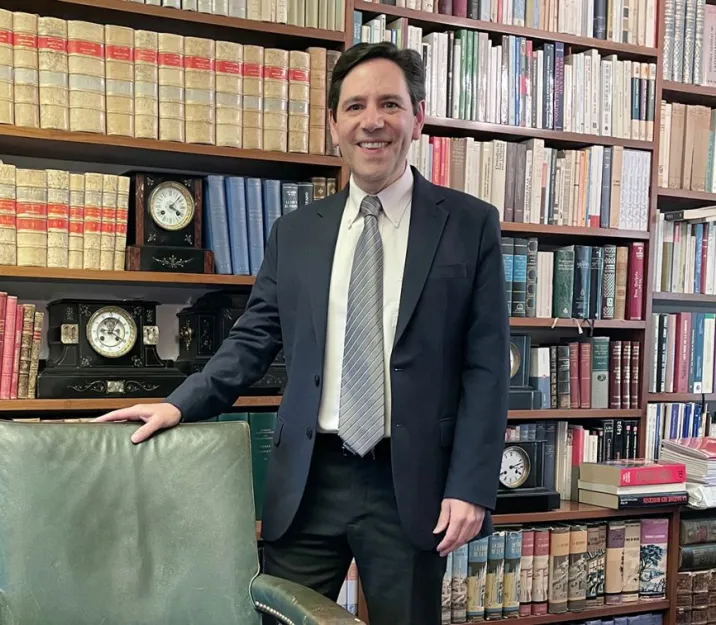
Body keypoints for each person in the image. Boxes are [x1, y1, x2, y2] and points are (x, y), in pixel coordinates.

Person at [95, 41, 509, 625]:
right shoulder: (296, 232)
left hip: (412, 483)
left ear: (418, 117)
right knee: (279, 618)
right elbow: (252, 339)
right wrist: (178, 405)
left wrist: (471, 486)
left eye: (390, 104)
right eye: (355, 106)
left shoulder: (469, 224)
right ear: (334, 124)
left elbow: (487, 366)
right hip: (312, 480)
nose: (372, 121)